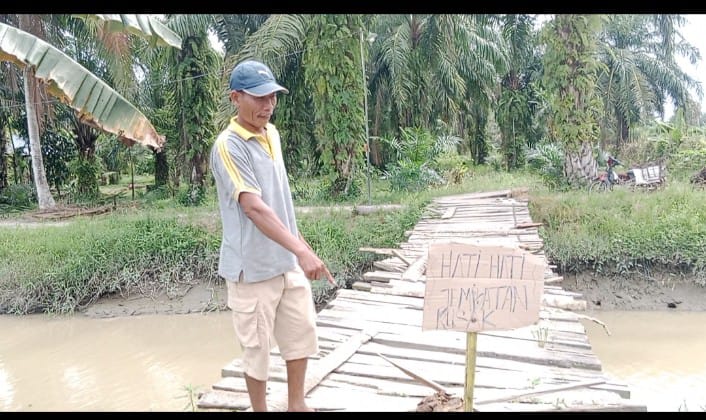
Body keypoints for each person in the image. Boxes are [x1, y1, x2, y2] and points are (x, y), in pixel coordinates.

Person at [209, 59, 335, 412]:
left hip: (285, 262)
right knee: (257, 350)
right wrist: (302, 251)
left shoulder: (272, 134)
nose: (267, 105)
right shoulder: (229, 145)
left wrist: (302, 248)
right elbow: (254, 207)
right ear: (236, 98)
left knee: (301, 335)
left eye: (273, 98)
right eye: (259, 97)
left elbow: (279, 203)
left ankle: (297, 405)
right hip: (251, 270)